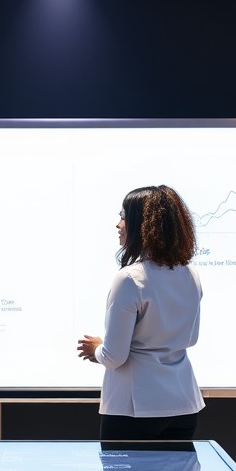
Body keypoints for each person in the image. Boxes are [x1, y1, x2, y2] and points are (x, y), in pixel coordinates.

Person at [76, 185, 203, 441]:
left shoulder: (130, 279)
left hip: (134, 410)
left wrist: (96, 350)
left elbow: (114, 357)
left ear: (143, 224)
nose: (118, 225)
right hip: (184, 405)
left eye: (123, 216)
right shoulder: (190, 274)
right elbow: (190, 339)